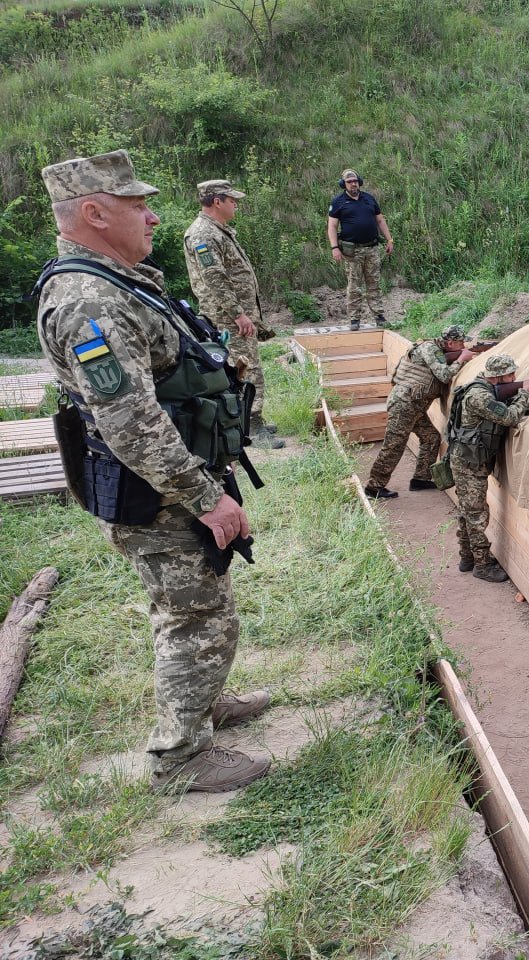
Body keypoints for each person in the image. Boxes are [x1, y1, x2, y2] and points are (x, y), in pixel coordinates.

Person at [34, 149, 271, 793]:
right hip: (155, 491)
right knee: (192, 615)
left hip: (174, 478)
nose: (154, 217)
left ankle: (202, 702)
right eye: (138, 205)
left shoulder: (116, 279)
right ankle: (180, 757)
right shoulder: (89, 302)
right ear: (93, 212)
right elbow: (130, 421)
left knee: (202, 603)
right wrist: (206, 497)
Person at [182, 178, 284, 449]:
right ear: (217, 202)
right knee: (248, 368)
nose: (235, 204)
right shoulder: (204, 233)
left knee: (244, 366)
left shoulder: (217, 230)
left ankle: (246, 420)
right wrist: (238, 314)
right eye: (231, 200)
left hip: (234, 313)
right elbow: (214, 278)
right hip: (228, 316)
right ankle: (251, 426)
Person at [446, 353, 529, 583]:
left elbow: (514, 407)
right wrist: (524, 392)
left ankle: (467, 557)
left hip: (471, 460)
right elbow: (511, 416)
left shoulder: (488, 390)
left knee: (468, 511)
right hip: (469, 464)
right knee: (476, 514)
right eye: (511, 374)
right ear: (498, 376)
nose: (515, 377)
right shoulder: (479, 396)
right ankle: (481, 565)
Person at [364, 324, 476, 500]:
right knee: (394, 445)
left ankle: (421, 479)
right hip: (404, 404)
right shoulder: (429, 348)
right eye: (461, 342)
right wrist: (461, 359)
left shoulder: (437, 350)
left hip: (414, 405)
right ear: (451, 343)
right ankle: (374, 487)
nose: (464, 346)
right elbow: (445, 376)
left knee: (431, 437)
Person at [326, 168, 393, 330]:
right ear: (344, 184)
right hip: (352, 252)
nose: (353, 184)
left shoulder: (369, 198)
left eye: (355, 181)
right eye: (349, 182)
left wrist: (389, 239)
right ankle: (355, 319)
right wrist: (334, 247)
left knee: (374, 284)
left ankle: (379, 316)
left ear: (359, 182)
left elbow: (380, 220)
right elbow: (332, 226)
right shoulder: (338, 202)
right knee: (354, 286)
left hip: (372, 249)